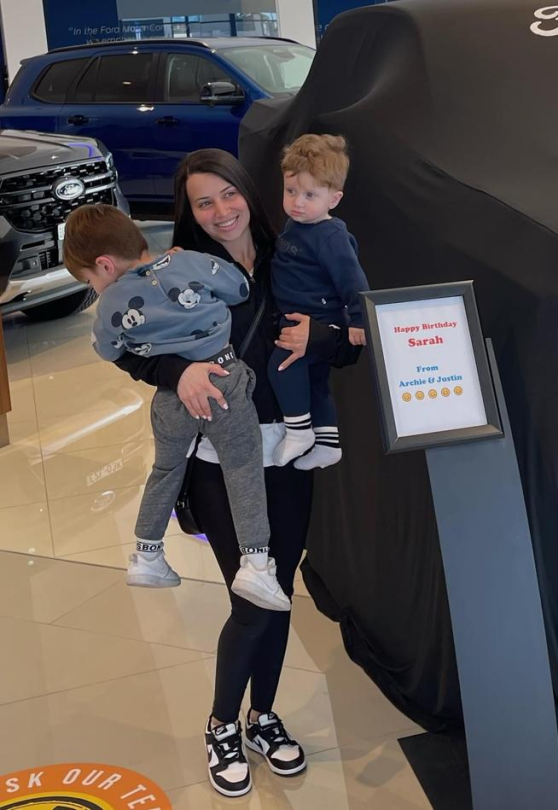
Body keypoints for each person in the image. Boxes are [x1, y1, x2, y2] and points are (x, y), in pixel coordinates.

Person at [113, 149, 360, 797]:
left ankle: (262, 717)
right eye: (204, 202)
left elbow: (351, 343)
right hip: (219, 463)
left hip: (291, 452)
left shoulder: (297, 253)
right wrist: (178, 371)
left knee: (279, 593)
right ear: (189, 212)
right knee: (253, 599)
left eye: (228, 194)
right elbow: (131, 349)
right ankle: (222, 723)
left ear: (249, 192)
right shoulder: (178, 271)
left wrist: (322, 339)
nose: (221, 211)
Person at [63, 204, 291, 613]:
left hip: (171, 400)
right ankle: (256, 564)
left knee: (166, 470)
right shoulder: (187, 263)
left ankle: (147, 554)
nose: (95, 287)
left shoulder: (111, 303)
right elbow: (240, 289)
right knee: (242, 468)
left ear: (105, 265)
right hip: (223, 382)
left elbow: (107, 350)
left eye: (89, 280)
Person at [269, 134, 369, 468]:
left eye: (310, 195)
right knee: (315, 381)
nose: (297, 202)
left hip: (315, 319)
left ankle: (299, 432)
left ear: (334, 199)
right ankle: (328, 443)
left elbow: (353, 280)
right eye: (291, 191)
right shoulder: (297, 224)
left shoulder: (331, 236)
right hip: (301, 314)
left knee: (282, 367)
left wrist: (359, 320)